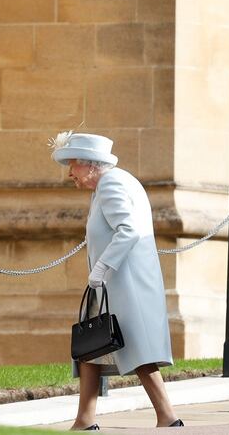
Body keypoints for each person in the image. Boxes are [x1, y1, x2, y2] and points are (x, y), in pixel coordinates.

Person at [48, 132, 183, 430]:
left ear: (91, 165)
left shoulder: (111, 183)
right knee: (89, 346)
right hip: (114, 284)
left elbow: (128, 230)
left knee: (136, 350)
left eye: (73, 165)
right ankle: (84, 420)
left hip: (124, 283)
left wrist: (102, 268)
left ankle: (168, 416)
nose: (70, 173)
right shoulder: (109, 184)